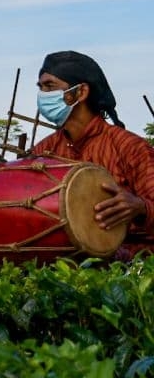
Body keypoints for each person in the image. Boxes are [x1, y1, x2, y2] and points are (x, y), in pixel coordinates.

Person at [31, 51, 154, 250]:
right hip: (62, 265)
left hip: (131, 265)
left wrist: (140, 207)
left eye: (49, 86)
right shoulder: (44, 151)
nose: (42, 95)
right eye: (41, 87)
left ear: (81, 92)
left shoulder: (130, 147)